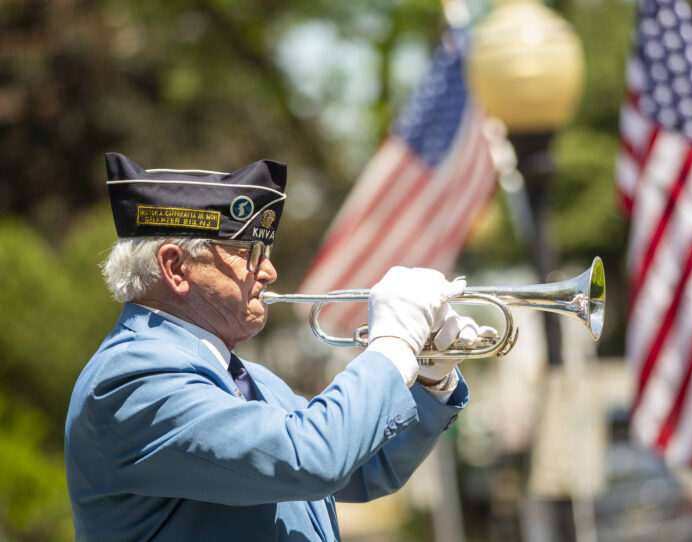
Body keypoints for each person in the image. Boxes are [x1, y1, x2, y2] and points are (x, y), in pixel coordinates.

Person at [65, 152, 496, 541]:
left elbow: (365, 467)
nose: (268, 271)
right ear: (176, 268)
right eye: (249, 252)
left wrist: (429, 376)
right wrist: (393, 346)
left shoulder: (249, 378)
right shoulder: (131, 378)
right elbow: (313, 458)